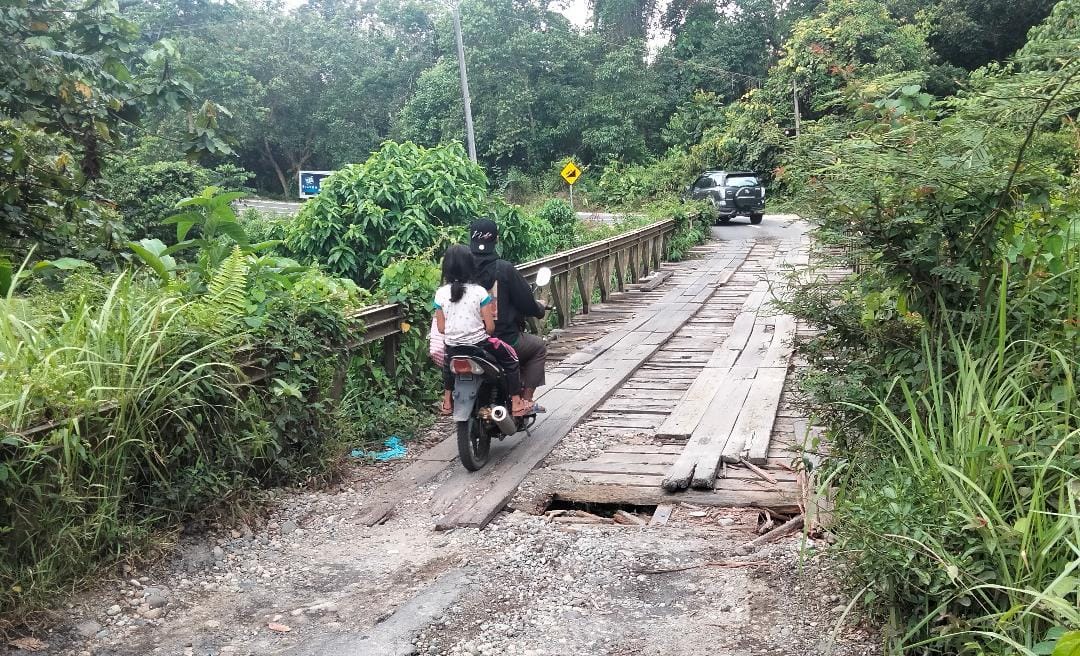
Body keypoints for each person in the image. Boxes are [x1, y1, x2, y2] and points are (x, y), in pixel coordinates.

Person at [434, 244, 533, 417]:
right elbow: (490, 327)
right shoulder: (479, 292)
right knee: (510, 359)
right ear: (470, 265)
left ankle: (447, 400)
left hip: (453, 347)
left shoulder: (440, 294)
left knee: (447, 365)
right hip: (479, 346)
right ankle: (516, 402)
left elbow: (441, 328)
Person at [468, 218, 548, 410]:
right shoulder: (504, 269)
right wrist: (539, 309)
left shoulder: (461, 270)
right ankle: (525, 401)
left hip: (466, 341)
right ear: (496, 240)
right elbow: (526, 303)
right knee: (538, 347)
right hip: (504, 339)